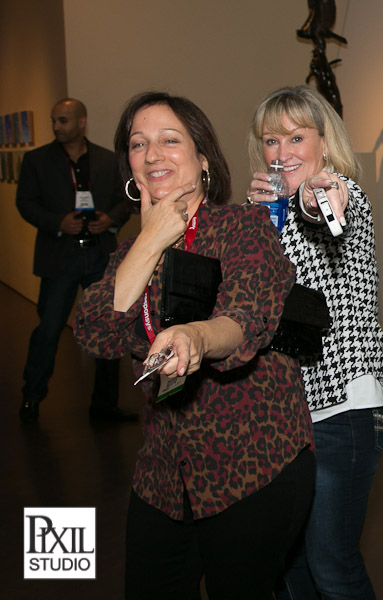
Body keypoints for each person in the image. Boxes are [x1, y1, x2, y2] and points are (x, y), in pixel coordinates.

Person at [74, 92, 314, 599]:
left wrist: (195, 336)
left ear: (203, 159)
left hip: (253, 465)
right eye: (138, 144)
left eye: (169, 140)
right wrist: (151, 240)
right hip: (164, 474)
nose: (152, 154)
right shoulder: (129, 254)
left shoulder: (242, 227)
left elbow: (243, 320)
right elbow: (94, 330)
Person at [247, 85, 383, 600]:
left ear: (324, 143)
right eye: (271, 140)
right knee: (289, 565)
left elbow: (327, 215)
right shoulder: (266, 210)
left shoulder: (340, 192)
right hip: (282, 411)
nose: (281, 152)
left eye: (296, 138)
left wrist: (312, 199)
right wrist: (252, 224)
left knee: (332, 565)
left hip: (340, 408)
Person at [16, 98, 134, 423]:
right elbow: (25, 202)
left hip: (99, 255)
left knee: (108, 329)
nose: (56, 126)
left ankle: (105, 405)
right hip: (60, 258)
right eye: (54, 120)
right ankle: (31, 398)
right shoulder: (37, 160)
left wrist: (110, 219)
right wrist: (58, 222)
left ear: (82, 122)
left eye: (63, 120)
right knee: (49, 329)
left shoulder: (108, 160)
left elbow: (127, 199)